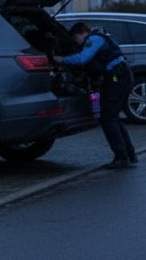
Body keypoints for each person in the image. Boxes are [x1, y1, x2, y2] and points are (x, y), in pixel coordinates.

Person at [54, 22, 137, 168]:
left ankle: (121, 157)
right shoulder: (101, 35)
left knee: (108, 118)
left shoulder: (95, 39)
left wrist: (61, 59)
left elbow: (82, 58)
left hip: (117, 78)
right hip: (120, 76)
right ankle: (129, 154)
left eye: (76, 38)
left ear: (81, 33)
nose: (77, 42)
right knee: (113, 116)